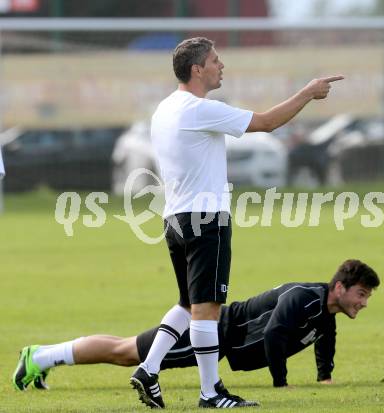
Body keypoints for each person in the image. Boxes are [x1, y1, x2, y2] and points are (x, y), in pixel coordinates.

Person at [129, 36, 344, 409]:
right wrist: (308, 93)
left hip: (175, 218)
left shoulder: (165, 108)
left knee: (186, 304)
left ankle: (148, 369)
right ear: (197, 69)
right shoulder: (199, 109)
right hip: (205, 218)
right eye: (215, 60)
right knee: (207, 308)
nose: (221, 65)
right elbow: (267, 122)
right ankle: (210, 392)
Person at [13, 259, 379, 395]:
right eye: (361, 294)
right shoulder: (305, 297)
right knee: (126, 353)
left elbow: (324, 339)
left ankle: (42, 356)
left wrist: (324, 377)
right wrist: (280, 384)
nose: (363, 303)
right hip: (212, 331)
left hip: (216, 337)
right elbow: (273, 335)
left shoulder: (324, 312)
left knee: (126, 347)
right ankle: (41, 356)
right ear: (340, 287)